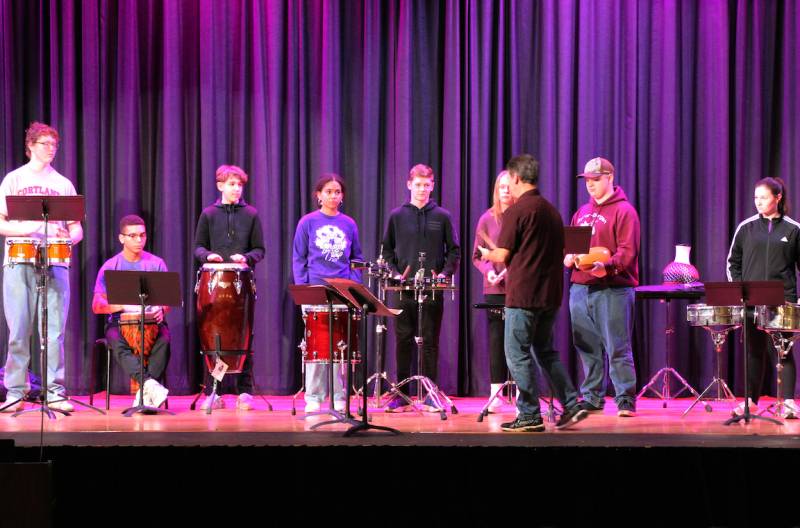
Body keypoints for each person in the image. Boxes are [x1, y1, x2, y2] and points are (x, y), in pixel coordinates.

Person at [479, 154, 588, 431]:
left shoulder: (518, 210)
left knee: (516, 352)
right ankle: (572, 403)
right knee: (545, 351)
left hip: (524, 295)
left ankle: (528, 413)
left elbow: (503, 254)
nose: (508, 188)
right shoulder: (552, 211)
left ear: (516, 178)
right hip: (550, 295)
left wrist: (485, 252)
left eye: (509, 182)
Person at [0, 122, 83, 413]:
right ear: (30, 146)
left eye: (54, 145)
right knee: (19, 329)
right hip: (19, 259)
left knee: (54, 331)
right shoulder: (14, 179)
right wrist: (34, 226)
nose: (51, 149)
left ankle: (55, 390)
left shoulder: (63, 183)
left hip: (55, 262)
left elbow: (77, 229)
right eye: (45, 143)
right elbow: (0, 223)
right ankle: (15, 391)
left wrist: (68, 238)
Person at [563, 157, 640, 417]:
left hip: (612, 289)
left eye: (595, 180)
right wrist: (569, 257)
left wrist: (606, 267)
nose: (590, 185)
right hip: (580, 288)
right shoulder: (582, 212)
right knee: (586, 345)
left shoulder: (624, 211)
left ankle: (625, 398)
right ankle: (593, 396)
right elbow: (572, 249)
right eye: (587, 180)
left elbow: (627, 252)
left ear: (610, 178)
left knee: (617, 345)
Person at [380, 164, 460, 412]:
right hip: (403, 290)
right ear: (409, 185)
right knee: (403, 340)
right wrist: (394, 274)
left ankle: (430, 395)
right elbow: (387, 251)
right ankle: (401, 395)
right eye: (418, 185)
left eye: (427, 185)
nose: (422, 189)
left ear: (433, 186)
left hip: (432, 290)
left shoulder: (442, 216)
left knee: (429, 341)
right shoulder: (396, 216)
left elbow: (454, 251)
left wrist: (444, 275)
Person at [727, 177, 800, 418]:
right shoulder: (746, 228)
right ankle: (750, 400)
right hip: (751, 303)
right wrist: (740, 291)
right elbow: (733, 263)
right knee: (753, 352)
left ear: (778, 198)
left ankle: (788, 402)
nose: (758, 202)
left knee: (784, 351)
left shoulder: (793, 229)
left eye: (764, 197)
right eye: (756, 197)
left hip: (784, 302)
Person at [194, 165, 265, 410]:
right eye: (231, 184)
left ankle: (244, 392)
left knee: (243, 334)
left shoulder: (251, 214)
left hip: (241, 283)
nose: (236, 189)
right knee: (215, 336)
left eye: (240, 185)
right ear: (220, 186)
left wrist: (247, 258)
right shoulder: (209, 214)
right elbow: (198, 247)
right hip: (213, 283)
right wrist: (208, 256)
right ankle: (215, 390)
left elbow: (259, 249)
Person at [292, 173, 363, 413]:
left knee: (339, 345)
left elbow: (357, 259)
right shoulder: (308, 222)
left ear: (342, 196)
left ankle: (339, 394)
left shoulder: (349, 224)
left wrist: (353, 287)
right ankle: (313, 395)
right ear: (318, 195)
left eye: (337, 192)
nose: (333, 196)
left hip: (342, 290)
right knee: (316, 342)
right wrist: (304, 290)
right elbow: (299, 258)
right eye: (328, 192)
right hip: (314, 288)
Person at [92, 215, 170, 408]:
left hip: (152, 320)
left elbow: (167, 301)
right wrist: (119, 305)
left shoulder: (156, 264)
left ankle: (143, 393)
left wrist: (162, 309)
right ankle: (150, 385)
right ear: (122, 238)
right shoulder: (110, 267)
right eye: (133, 236)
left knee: (164, 341)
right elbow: (96, 306)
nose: (138, 240)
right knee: (117, 343)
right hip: (119, 321)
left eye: (142, 235)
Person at [472, 170, 514, 412]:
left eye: (509, 187)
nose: (505, 191)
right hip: (494, 289)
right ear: (496, 190)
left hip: (518, 287)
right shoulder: (486, 218)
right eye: (501, 187)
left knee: (519, 341)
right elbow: (477, 255)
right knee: (496, 340)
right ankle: (496, 393)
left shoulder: (522, 216)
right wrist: (488, 270)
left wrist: (510, 270)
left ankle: (521, 392)